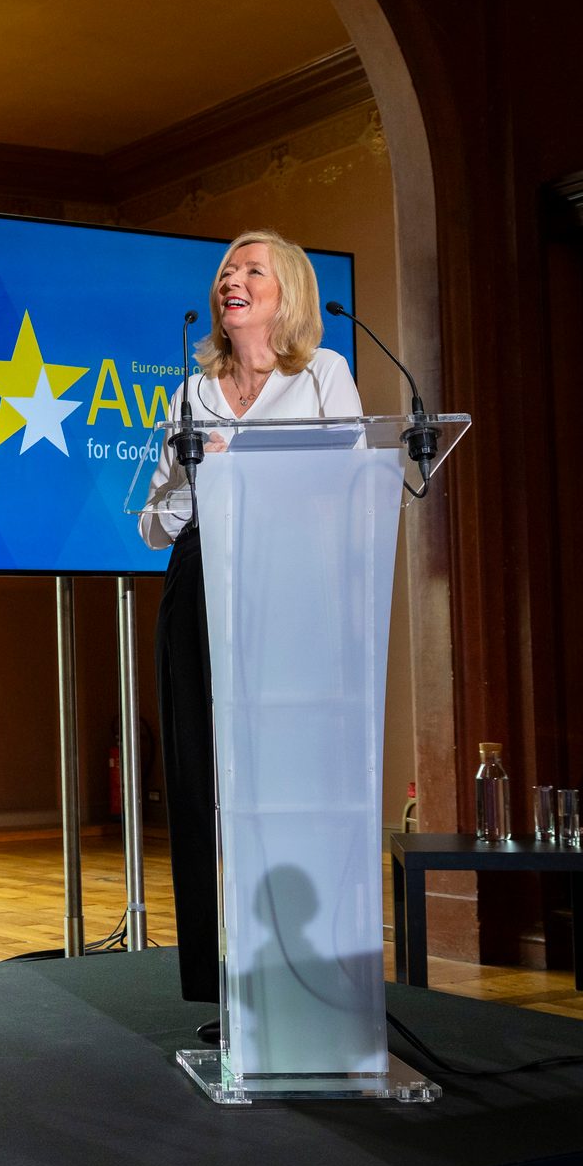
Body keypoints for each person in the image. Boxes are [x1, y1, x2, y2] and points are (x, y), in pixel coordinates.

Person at [138, 229, 362, 1025]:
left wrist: (252, 468)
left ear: (287, 290)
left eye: (251, 269)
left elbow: (353, 480)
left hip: (289, 580)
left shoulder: (324, 374)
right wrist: (176, 474)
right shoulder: (191, 392)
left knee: (282, 781)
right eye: (226, 271)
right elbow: (161, 521)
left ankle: (295, 972)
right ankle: (221, 987)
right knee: (199, 782)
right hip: (200, 575)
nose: (232, 279)